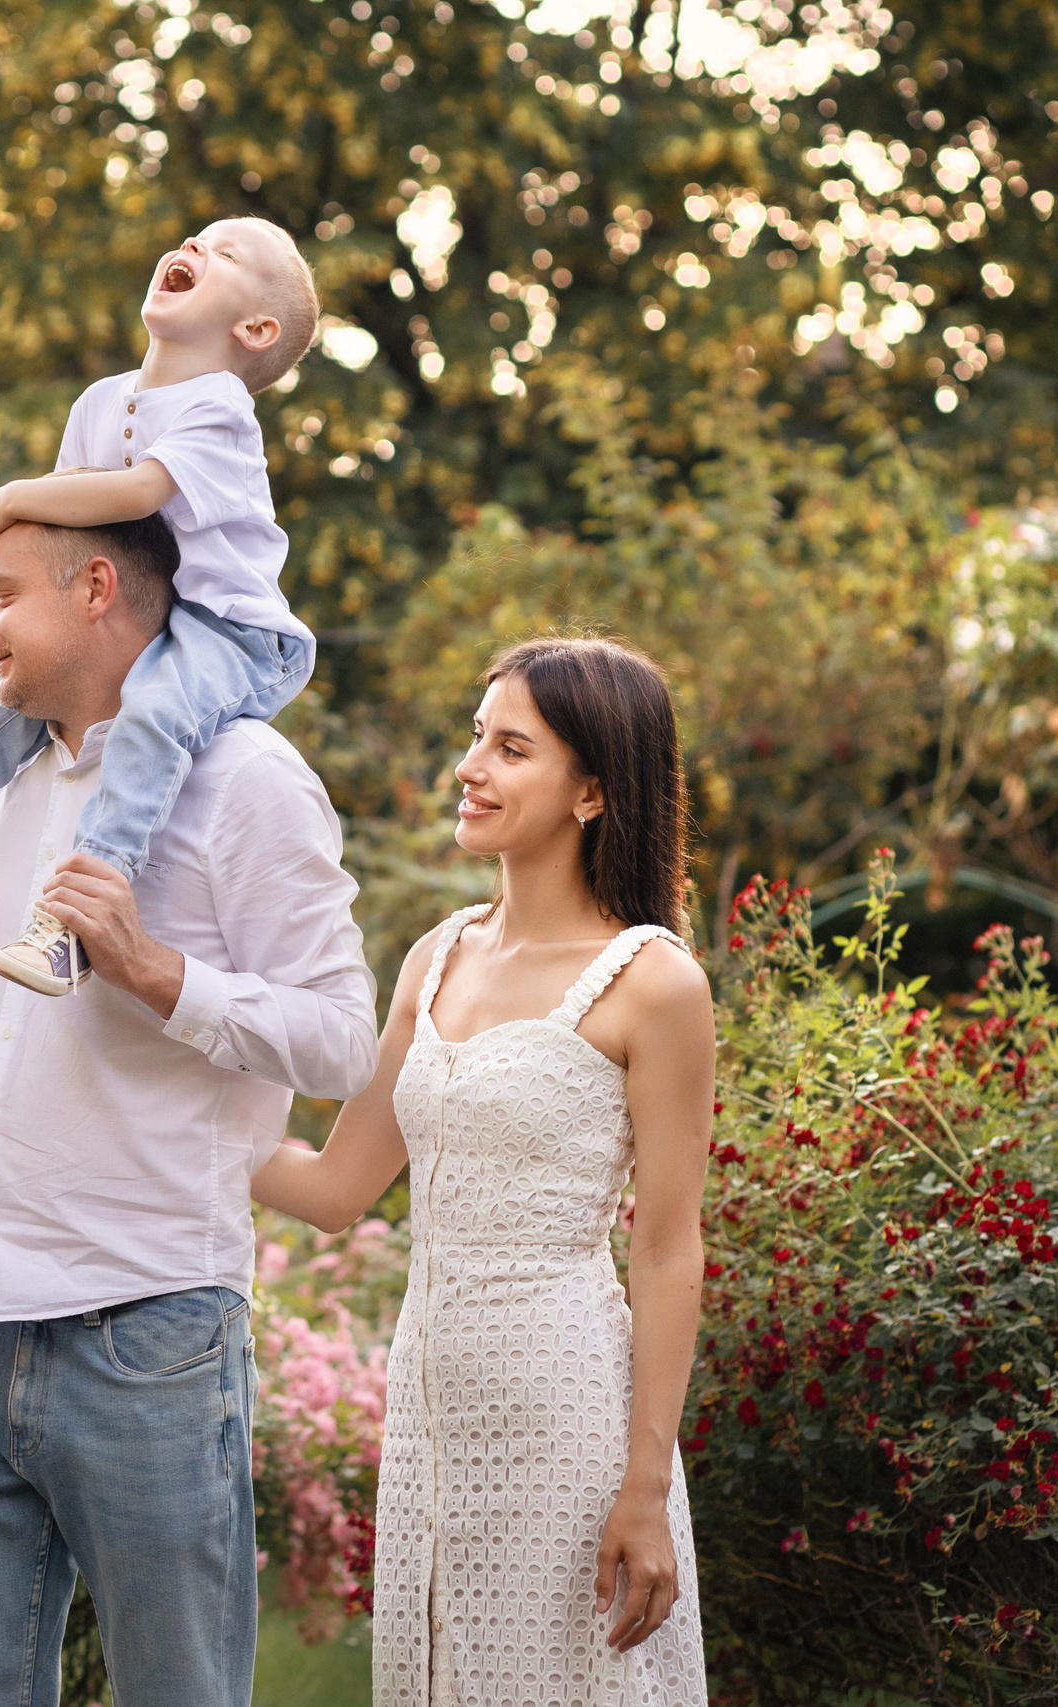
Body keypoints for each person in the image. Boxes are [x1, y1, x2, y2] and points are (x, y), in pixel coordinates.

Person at [0, 510, 378, 1707]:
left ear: (97, 588)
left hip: (142, 1330)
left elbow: (342, 1040)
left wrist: (154, 970)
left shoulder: (248, 782)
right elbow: (22, 1029)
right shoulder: (21, 786)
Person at [253, 637, 715, 1706]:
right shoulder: (437, 953)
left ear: (591, 790)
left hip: (569, 1413)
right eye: (475, 738)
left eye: (510, 748)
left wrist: (644, 1485)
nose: (470, 767)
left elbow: (666, 1245)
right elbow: (334, 1189)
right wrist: (167, 1125)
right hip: (427, 1411)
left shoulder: (654, 983)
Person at [0, 216, 320, 998]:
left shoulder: (220, 406)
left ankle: (77, 915)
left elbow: (138, 494)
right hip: (151, 619)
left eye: (226, 252)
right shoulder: (103, 401)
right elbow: (73, 522)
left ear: (256, 327)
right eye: (195, 240)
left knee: (153, 713)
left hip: (231, 632)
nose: (196, 249)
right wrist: (16, 534)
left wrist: (6, 497)